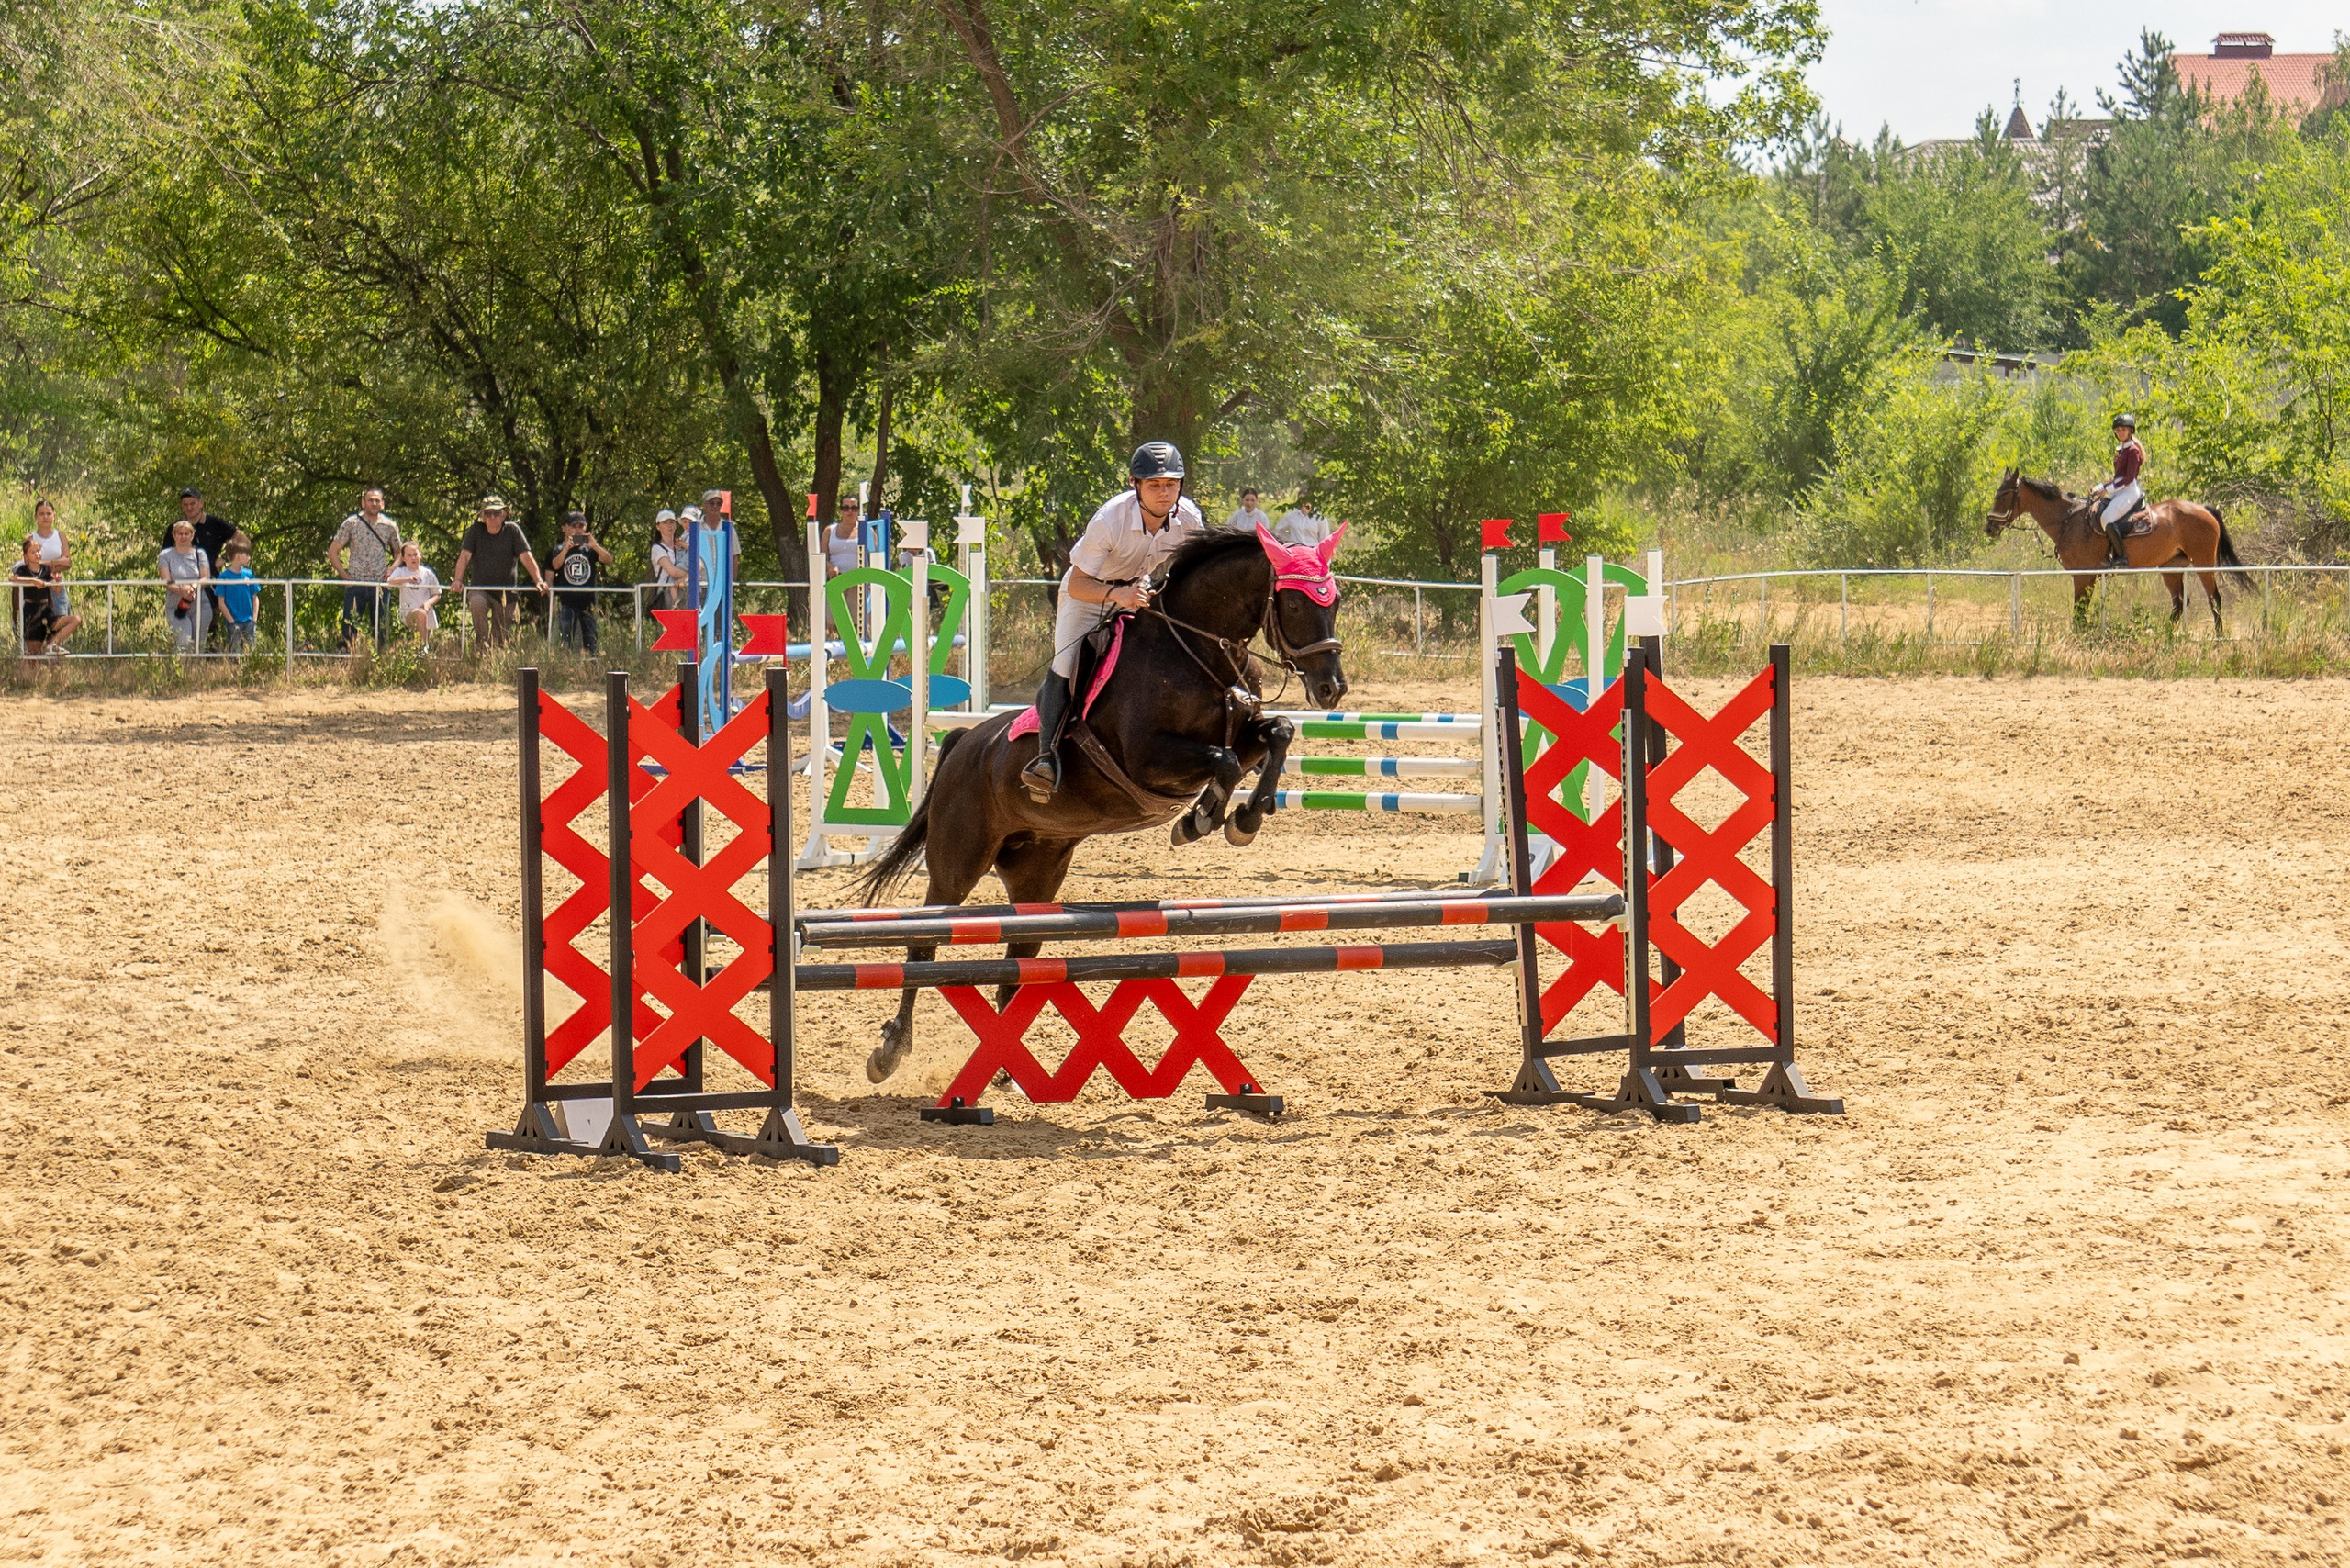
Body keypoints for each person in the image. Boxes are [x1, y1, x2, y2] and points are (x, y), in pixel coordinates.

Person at [1022, 440, 1206, 800]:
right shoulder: (1110, 520)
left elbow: (1191, 570)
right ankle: (1047, 758)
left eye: (1171, 484)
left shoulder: (1189, 518)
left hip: (1137, 591)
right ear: (1134, 483)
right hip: (1088, 595)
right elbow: (1076, 582)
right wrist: (1116, 595)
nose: (1163, 493)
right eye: (1154, 485)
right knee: (1066, 663)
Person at [449, 495, 546, 650]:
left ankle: (495, 661)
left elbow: (526, 557)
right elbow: (465, 556)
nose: (492, 517)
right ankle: (481, 646)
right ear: (482, 516)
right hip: (480, 589)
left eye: (496, 512)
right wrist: (458, 579)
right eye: (488, 513)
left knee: (500, 638)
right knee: (477, 602)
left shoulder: (513, 531)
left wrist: (538, 580)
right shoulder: (475, 530)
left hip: (506, 592)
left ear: (504, 514)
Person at [327, 487, 401, 649]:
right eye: (370, 500)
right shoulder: (351, 523)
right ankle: (345, 661)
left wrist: (391, 570)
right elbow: (333, 551)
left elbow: (399, 552)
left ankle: (380, 663)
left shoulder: (389, 526)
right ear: (363, 503)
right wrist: (345, 576)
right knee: (349, 627)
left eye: (377, 500)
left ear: (382, 504)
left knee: (381, 629)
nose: (374, 503)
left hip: (380, 585)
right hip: (356, 583)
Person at [162, 487, 235, 645]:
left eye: (193, 503)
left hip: (210, 590)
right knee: (183, 640)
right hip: (178, 595)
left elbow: (242, 539)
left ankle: (206, 668)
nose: (189, 507)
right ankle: (183, 668)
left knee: (206, 639)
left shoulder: (215, 524)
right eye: (185, 504)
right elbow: (165, 568)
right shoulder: (173, 530)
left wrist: (225, 558)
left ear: (201, 503)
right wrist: (180, 589)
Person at [547, 509, 611, 654]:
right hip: (567, 602)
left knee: (591, 641)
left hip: (588, 602)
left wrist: (594, 546)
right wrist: (566, 548)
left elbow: (608, 559)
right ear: (566, 528)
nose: (577, 530)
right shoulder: (559, 548)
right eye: (574, 526)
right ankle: (564, 669)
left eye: (580, 526)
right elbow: (555, 565)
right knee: (565, 641)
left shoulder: (590, 549)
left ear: (586, 527)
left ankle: (593, 669)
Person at [2091, 413, 2146, 567]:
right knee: (2098, 511)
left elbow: (2129, 478)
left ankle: (2122, 558)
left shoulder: (2133, 451)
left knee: (2107, 519)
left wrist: (2107, 490)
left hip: (2129, 492)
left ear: (2130, 431)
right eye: (2118, 430)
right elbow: (2118, 477)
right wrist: (2100, 487)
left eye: (2123, 429)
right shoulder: (2121, 450)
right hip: (2120, 490)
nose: (2120, 432)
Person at [12, 536, 80, 655]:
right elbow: (14, 578)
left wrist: (57, 582)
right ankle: (29, 672)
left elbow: (57, 590)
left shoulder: (46, 569)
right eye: (33, 552)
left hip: (46, 610)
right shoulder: (23, 569)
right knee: (33, 653)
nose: (37, 554)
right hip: (31, 611)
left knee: (75, 619)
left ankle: (52, 645)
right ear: (26, 556)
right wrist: (33, 581)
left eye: (38, 551)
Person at [157, 519, 211, 654]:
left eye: (186, 534)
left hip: (200, 605)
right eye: (180, 534)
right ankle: (178, 673)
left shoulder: (200, 554)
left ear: (192, 535)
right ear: (174, 535)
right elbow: (166, 581)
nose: (183, 537)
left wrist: (192, 587)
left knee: (198, 646)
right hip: (176, 606)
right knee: (183, 643)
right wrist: (182, 591)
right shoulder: (165, 555)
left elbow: (205, 578)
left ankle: (195, 673)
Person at [386, 540, 443, 648]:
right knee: (420, 615)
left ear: (420, 555)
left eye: (415, 555)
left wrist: (428, 604)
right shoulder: (401, 571)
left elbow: (437, 594)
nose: (413, 558)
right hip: (408, 612)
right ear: (403, 558)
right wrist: (407, 579)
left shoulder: (428, 573)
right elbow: (390, 581)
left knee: (422, 641)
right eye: (409, 555)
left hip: (427, 612)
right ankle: (424, 648)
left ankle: (423, 655)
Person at [214, 541, 261, 653]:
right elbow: (221, 602)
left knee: (251, 652)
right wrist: (231, 622)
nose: (249, 558)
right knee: (235, 653)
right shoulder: (224, 577)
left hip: (249, 621)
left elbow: (255, 597)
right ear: (238, 556)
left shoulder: (249, 574)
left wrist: (254, 620)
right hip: (233, 622)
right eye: (246, 555)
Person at [29, 498, 69, 619]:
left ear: (54, 516)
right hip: (38, 584)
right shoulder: (31, 538)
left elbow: (67, 562)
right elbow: (29, 564)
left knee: (62, 619)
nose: (45, 517)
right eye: (41, 514)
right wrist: (56, 563)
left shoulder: (60, 536)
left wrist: (45, 563)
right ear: (36, 516)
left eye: (48, 513)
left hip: (57, 583)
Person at [649, 509, 688, 610]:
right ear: (658, 526)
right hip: (666, 592)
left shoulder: (682, 544)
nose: (669, 526)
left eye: (672, 522)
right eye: (665, 523)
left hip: (685, 588)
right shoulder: (657, 548)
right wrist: (692, 575)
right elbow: (672, 572)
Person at [824, 494, 864, 578]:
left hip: (859, 580)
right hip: (835, 580)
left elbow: (875, 556)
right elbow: (822, 557)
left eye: (854, 508)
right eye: (846, 508)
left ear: (858, 510)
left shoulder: (867, 530)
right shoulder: (829, 531)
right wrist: (830, 567)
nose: (850, 511)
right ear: (840, 511)